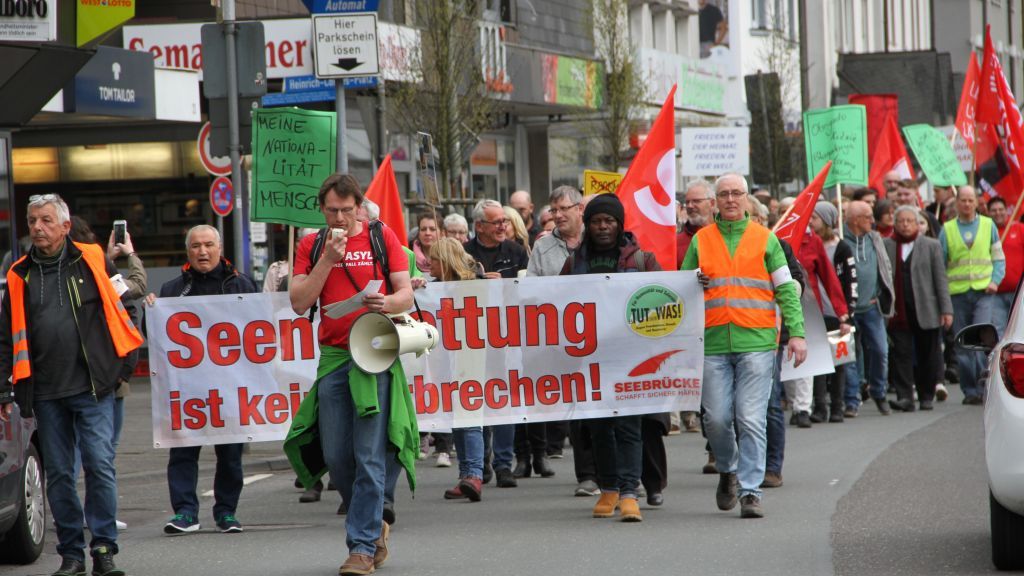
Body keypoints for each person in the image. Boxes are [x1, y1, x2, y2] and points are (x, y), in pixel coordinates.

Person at [0, 194, 143, 576]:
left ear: (65, 227)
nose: (37, 228)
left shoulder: (95, 259)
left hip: (93, 388)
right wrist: (4, 388)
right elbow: (5, 336)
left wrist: (123, 368)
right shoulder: (18, 274)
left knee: (99, 465)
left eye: (46, 220)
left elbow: (126, 305)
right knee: (60, 473)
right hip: (45, 393)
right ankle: (72, 554)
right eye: (32, 221)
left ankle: (103, 547)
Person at [288, 173, 416, 575]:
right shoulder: (310, 245)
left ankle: (360, 547)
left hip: (375, 353)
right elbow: (298, 302)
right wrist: (328, 259)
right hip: (334, 356)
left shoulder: (383, 237)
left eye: (347, 210)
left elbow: (405, 293)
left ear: (359, 206)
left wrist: (388, 302)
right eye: (332, 211)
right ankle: (375, 520)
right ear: (321, 210)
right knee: (337, 455)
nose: (340, 218)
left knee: (369, 455)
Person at [681, 173, 806, 519]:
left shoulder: (766, 239)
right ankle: (727, 469)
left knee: (750, 418)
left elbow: (787, 291)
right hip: (713, 344)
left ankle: (751, 491)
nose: (731, 199)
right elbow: (682, 288)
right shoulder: (702, 240)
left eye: (737, 193)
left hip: (757, 343)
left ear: (748, 199)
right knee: (718, 420)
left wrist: (796, 333)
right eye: (724, 194)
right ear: (714, 202)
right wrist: (692, 281)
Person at [143, 225, 255, 537]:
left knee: (231, 454)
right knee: (182, 451)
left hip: (231, 386)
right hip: (187, 388)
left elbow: (260, 330)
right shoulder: (172, 290)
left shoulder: (242, 284)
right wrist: (150, 312)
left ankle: (227, 512)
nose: (202, 252)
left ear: (220, 248)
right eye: (195, 246)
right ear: (187, 251)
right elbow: (154, 335)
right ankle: (185, 512)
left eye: (208, 245)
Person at [560, 193, 660, 521]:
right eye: (597, 221)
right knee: (599, 428)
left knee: (629, 426)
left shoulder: (641, 259)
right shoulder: (574, 263)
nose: (603, 227)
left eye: (609, 221)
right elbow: (555, 303)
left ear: (619, 225)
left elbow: (665, 296)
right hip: (591, 360)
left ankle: (630, 491)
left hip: (630, 358)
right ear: (587, 225)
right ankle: (609, 489)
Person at [526, 186, 593, 494]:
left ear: (580, 209)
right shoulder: (543, 247)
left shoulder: (598, 240)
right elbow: (532, 288)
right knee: (577, 409)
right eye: (554, 210)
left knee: (599, 408)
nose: (558, 215)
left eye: (564, 209)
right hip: (562, 337)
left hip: (599, 337)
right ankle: (587, 476)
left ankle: (617, 473)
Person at [464, 199, 530, 488]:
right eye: (497, 222)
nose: (504, 226)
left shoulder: (516, 252)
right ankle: (482, 460)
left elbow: (530, 289)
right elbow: (450, 284)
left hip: (507, 338)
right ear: (480, 226)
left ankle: (504, 463)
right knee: (475, 399)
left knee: (504, 399)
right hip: (472, 339)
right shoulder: (464, 253)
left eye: (504, 220)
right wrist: (476, 279)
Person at [431, 237, 487, 502]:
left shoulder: (475, 284)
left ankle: (475, 473)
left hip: (472, 358)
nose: (428, 264)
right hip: (448, 359)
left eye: (433, 259)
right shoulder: (435, 287)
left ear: (445, 261)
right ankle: (466, 475)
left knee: (470, 415)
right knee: (457, 418)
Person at [883, 206, 953, 412]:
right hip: (898, 311)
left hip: (926, 308)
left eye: (909, 221)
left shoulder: (931, 245)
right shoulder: (887, 245)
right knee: (901, 354)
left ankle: (926, 395)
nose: (905, 225)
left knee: (927, 354)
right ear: (895, 224)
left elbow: (940, 279)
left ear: (917, 224)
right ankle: (905, 396)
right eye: (901, 221)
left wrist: (946, 309)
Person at [940, 186, 1005, 405]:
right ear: (957, 202)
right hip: (957, 295)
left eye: (971, 200)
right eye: (963, 200)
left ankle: (984, 385)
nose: (967, 204)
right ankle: (970, 390)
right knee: (963, 343)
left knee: (982, 340)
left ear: (976, 203)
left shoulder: (988, 225)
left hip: (983, 292)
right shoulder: (947, 229)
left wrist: (995, 281)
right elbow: (941, 265)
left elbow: (998, 258)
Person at [790, 221, 850, 427]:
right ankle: (795, 404)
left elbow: (828, 276)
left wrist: (841, 310)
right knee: (784, 361)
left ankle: (804, 408)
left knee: (804, 357)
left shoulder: (812, 241)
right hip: (776, 307)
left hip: (807, 307)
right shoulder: (773, 238)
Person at [843, 201, 895, 416]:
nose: (872, 221)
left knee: (881, 351)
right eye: (867, 217)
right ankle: (852, 399)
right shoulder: (841, 242)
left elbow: (885, 266)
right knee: (850, 356)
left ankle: (879, 391)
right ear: (855, 220)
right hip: (848, 311)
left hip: (872, 307)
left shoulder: (874, 239)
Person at [809, 202, 858, 421]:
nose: (811, 222)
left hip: (837, 314)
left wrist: (847, 314)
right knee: (818, 363)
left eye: (815, 218)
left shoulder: (842, 248)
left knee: (838, 364)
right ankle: (820, 407)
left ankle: (837, 407)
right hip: (816, 313)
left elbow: (851, 283)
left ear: (827, 221)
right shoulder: (809, 244)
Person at [987, 197, 1024, 338]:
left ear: (1007, 211)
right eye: (994, 210)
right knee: (999, 331)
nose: (998, 213)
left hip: (1019, 294)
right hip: (995, 293)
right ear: (988, 212)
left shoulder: (1019, 229)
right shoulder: (986, 232)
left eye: (1001, 209)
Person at [411, 211, 440, 279]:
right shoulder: (409, 256)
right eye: (423, 229)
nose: (427, 233)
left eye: (432, 229)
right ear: (418, 232)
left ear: (442, 232)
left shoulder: (449, 259)